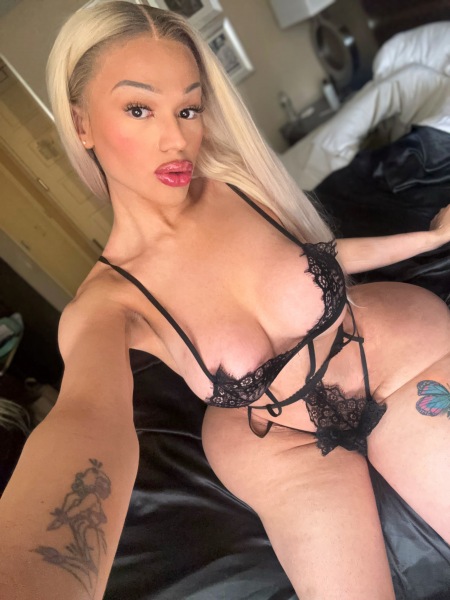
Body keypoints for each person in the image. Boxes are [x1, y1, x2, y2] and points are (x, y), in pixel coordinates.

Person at [0, 2, 449, 598]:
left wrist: (429, 240)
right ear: (82, 124)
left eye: (188, 109)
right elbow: (87, 423)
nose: (176, 138)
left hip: (395, 360)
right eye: (139, 109)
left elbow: (316, 258)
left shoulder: (235, 181)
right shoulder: (108, 304)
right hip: (276, 443)